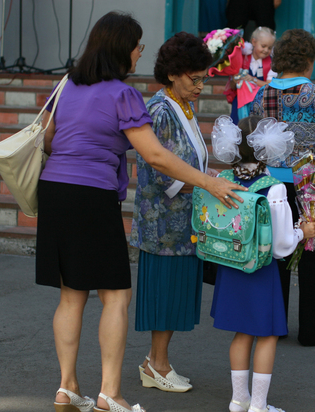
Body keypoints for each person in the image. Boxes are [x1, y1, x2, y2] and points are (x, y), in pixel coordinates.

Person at [35, 12, 246, 412]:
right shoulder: (122, 94)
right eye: (137, 47)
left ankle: (67, 387)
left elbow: (48, 140)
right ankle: (109, 394)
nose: (139, 55)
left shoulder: (66, 84)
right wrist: (211, 182)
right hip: (92, 196)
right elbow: (154, 155)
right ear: (121, 49)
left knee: (70, 295)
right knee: (115, 294)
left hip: (55, 191)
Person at [251, 29, 315, 347]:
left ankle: (275, 326)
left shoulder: (262, 95)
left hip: (271, 187)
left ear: (279, 59)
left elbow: (253, 139)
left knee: (276, 255)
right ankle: (312, 330)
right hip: (314, 190)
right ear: (309, 61)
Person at [209, 115, 315, 412]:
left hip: (230, 263)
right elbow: (282, 244)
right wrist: (304, 232)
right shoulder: (273, 188)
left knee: (241, 332)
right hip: (260, 268)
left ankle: (238, 400)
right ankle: (258, 405)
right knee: (267, 334)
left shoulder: (223, 181)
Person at [130, 32, 218, 393]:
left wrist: (206, 177)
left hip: (180, 220)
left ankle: (157, 362)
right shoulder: (160, 109)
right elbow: (155, 168)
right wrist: (205, 183)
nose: (199, 86)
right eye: (193, 79)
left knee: (174, 294)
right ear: (172, 75)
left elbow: (187, 162)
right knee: (165, 296)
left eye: (202, 79)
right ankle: (157, 364)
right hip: (163, 223)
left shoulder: (181, 105)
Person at [228, 27, 278, 123]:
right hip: (240, 102)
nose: (266, 50)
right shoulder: (242, 58)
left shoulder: (271, 63)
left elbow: (269, 85)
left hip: (259, 103)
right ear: (254, 42)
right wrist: (236, 79)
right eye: (263, 46)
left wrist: (253, 79)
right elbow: (232, 85)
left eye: (269, 48)